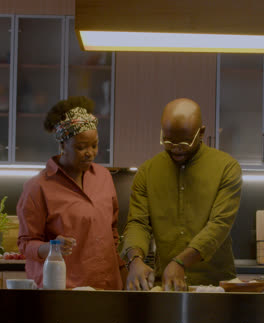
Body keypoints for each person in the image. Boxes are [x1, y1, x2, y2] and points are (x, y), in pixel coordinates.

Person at [121, 98, 242, 291]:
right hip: (167, 285)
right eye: (168, 141)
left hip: (216, 285)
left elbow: (219, 224)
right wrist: (134, 259)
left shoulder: (227, 168)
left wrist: (181, 262)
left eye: (185, 142)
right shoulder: (147, 172)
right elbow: (138, 223)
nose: (176, 148)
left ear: (201, 133)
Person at [17, 96, 126, 289]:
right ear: (62, 146)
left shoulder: (104, 177)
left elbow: (112, 231)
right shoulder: (38, 186)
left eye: (94, 145)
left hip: (108, 287)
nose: (90, 153)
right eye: (80, 147)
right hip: (64, 290)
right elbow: (26, 244)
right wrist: (51, 247)